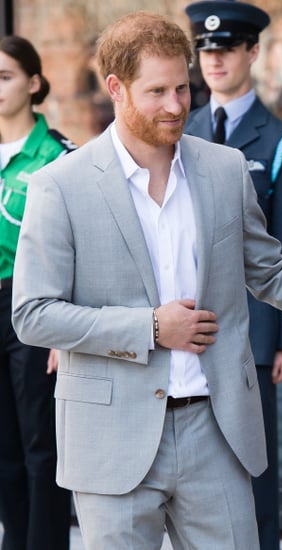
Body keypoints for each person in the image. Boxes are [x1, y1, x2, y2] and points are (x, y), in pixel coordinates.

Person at [11, 11, 282, 550]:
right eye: (157, 91)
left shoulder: (226, 169)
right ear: (116, 88)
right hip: (110, 438)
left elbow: (269, 270)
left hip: (217, 431)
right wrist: (151, 328)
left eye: (183, 87)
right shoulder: (58, 186)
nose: (178, 105)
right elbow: (33, 313)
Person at [184, 2, 282, 549]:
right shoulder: (183, 127)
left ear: (252, 52)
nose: (215, 61)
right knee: (196, 470)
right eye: (207, 51)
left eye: (228, 50)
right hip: (188, 323)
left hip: (254, 329)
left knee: (254, 467)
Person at [0, 35, 76, 550]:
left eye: (4, 77)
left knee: (40, 445)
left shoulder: (57, 155)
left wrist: (63, 329)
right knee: (2, 447)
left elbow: (77, 247)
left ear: (33, 82)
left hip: (30, 303)